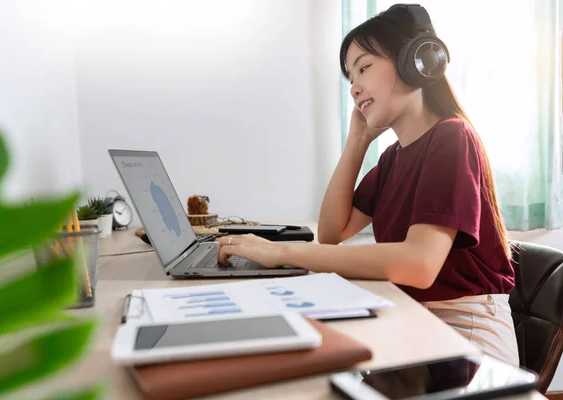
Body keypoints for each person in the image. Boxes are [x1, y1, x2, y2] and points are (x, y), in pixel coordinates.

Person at [216, 4, 519, 366]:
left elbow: (418, 264)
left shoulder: (452, 137)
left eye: (363, 67)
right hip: (412, 313)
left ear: (415, 61)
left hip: (466, 325)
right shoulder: (393, 157)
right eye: (349, 77)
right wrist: (357, 142)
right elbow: (332, 231)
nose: (354, 87)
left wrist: (282, 252)